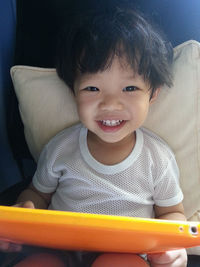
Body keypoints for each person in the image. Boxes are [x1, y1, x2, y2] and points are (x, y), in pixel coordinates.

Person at [0, 7, 187, 267]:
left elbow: (172, 212)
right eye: (92, 88)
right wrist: (24, 209)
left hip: (125, 252)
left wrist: (171, 247)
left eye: (130, 88)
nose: (110, 104)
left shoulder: (156, 157)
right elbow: (38, 194)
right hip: (59, 249)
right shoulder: (60, 147)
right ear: (73, 91)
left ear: (152, 94)